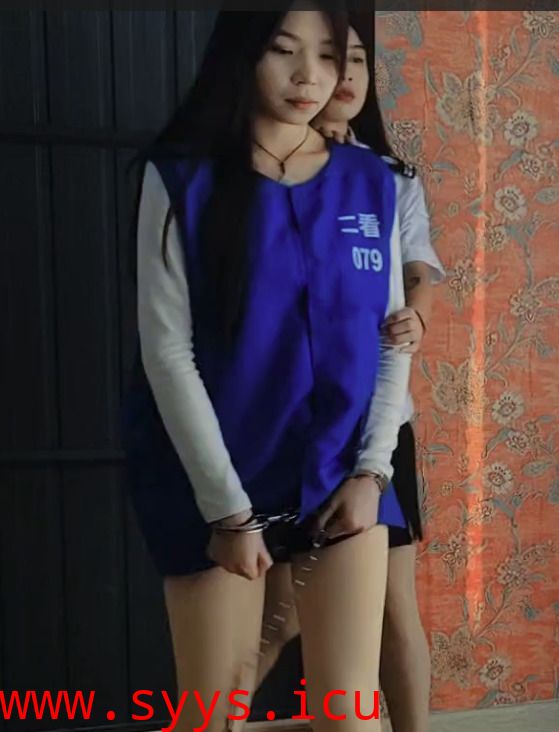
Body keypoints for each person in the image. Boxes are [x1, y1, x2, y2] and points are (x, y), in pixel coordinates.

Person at [120, 5, 414, 732]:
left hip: (342, 472)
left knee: (350, 714)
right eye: (284, 51)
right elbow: (167, 352)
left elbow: (391, 338)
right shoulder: (180, 177)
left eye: (329, 55)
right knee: (212, 712)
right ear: (243, 55)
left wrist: (372, 473)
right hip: (216, 482)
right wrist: (228, 511)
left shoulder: (370, 182)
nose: (310, 76)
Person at [251, 13, 445, 732]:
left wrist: (416, 314)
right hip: (285, 423)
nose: (339, 75)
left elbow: (418, 276)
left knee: (393, 608)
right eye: (333, 58)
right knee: (277, 612)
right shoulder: (259, 168)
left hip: (376, 425)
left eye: (353, 60)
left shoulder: (390, 178)